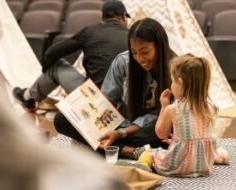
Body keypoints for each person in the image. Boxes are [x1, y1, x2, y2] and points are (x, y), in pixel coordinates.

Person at [54, 18, 176, 159]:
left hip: (146, 130)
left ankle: (113, 146)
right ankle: (128, 151)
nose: (139, 58)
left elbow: (165, 116)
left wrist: (122, 133)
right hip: (120, 124)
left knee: (165, 133)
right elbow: (106, 102)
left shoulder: (175, 69)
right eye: (134, 52)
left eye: (145, 52)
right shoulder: (123, 62)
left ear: (159, 47)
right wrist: (86, 105)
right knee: (61, 119)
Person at [12, 0, 130, 112]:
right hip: (126, 105)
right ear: (124, 17)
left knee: (57, 66)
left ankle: (27, 98)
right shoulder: (133, 36)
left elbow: (50, 53)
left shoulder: (90, 31)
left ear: (103, 18)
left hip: (94, 101)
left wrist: (45, 70)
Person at [151, 53, 218, 177]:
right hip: (204, 164)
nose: (171, 85)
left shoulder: (173, 109)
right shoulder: (210, 107)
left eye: (172, 81)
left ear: (180, 83)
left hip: (179, 166)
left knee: (151, 154)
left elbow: (161, 134)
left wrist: (164, 107)